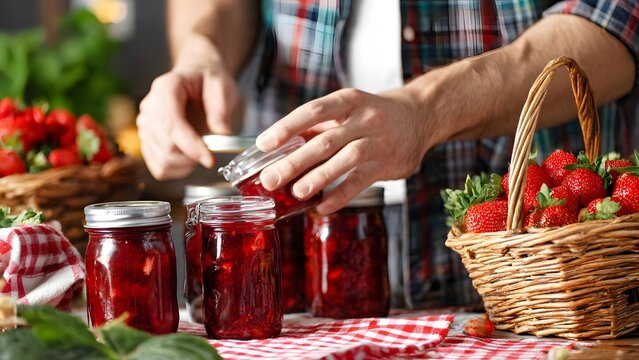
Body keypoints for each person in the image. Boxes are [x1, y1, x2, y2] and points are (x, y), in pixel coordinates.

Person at [137, 0, 638, 308]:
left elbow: (617, 19)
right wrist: (202, 51)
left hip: (548, 255)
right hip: (301, 227)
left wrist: (424, 111)